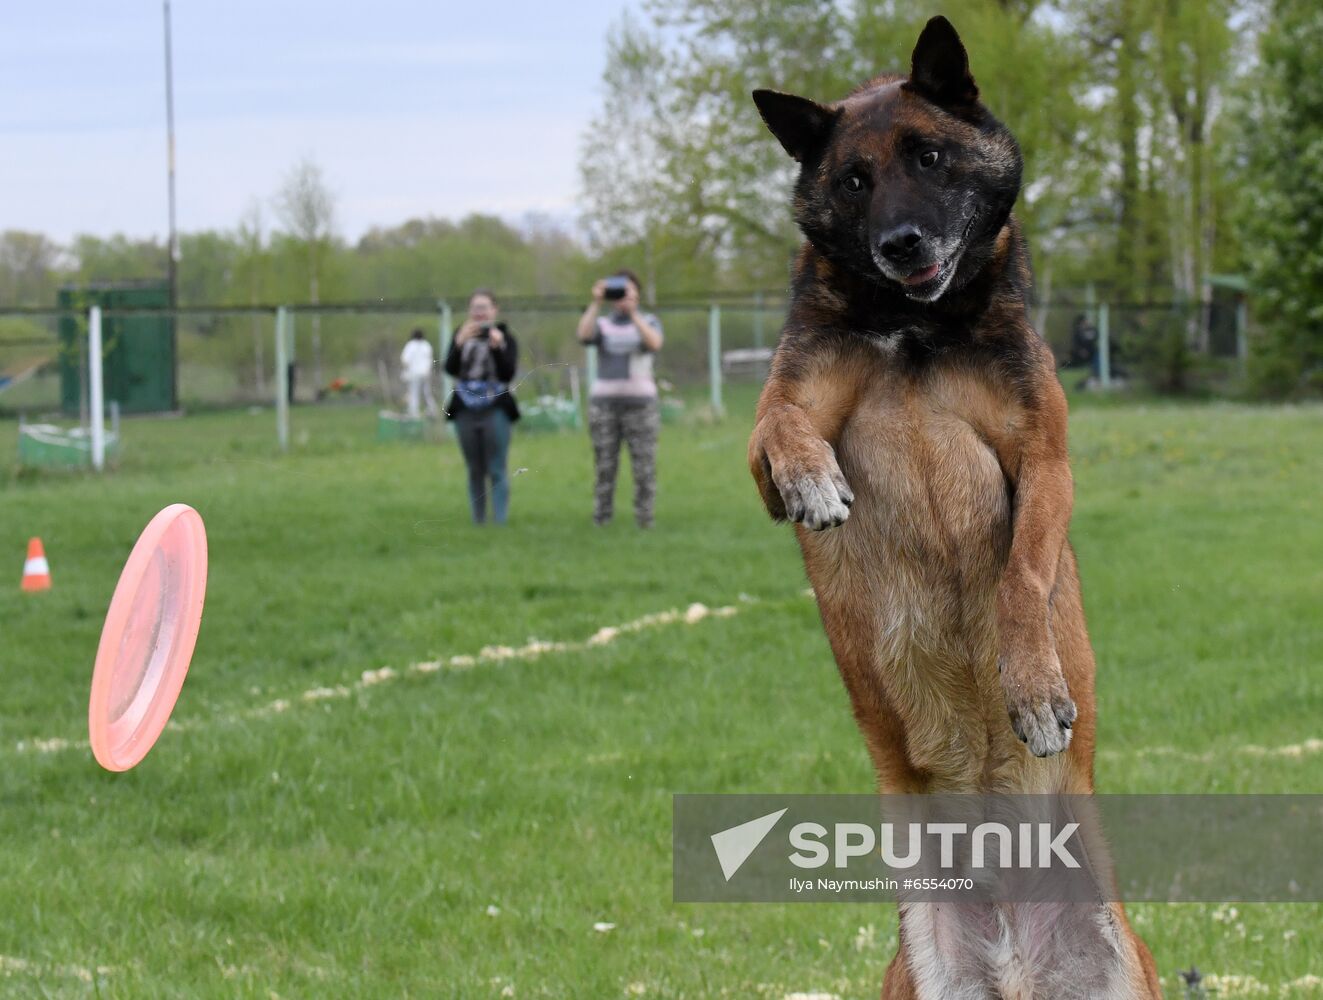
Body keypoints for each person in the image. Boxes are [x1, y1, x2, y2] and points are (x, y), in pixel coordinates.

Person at [576, 268, 663, 528]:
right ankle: (601, 518)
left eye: (628, 291)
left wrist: (634, 313)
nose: (622, 297)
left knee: (644, 467)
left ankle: (645, 520)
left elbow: (654, 343)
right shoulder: (602, 324)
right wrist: (595, 302)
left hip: (641, 406)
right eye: (618, 291)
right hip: (604, 406)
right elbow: (583, 335)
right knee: (604, 465)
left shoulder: (648, 320)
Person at [443, 289, 520, 525]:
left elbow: (508, 373)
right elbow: (450, 369)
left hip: (496, 407)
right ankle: (478, 520)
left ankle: (500, 520)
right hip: (465, 408)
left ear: (494, 310)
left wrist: (497, 347)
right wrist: (458, 344)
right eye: (475, 307)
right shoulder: (461, 335)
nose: (479, 312)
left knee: (497, 465)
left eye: (484, 307)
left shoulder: (506, 337)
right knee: (474, 467)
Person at [400, 328, 439, 418]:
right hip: (425, 373)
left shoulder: (410, 345)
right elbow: (430, 359)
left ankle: (414, 414)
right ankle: (433, 411)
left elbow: (405, 360)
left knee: (414, 393)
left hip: (414, 373)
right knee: (427, 393)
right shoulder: (426, 345)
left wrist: (406, 371)